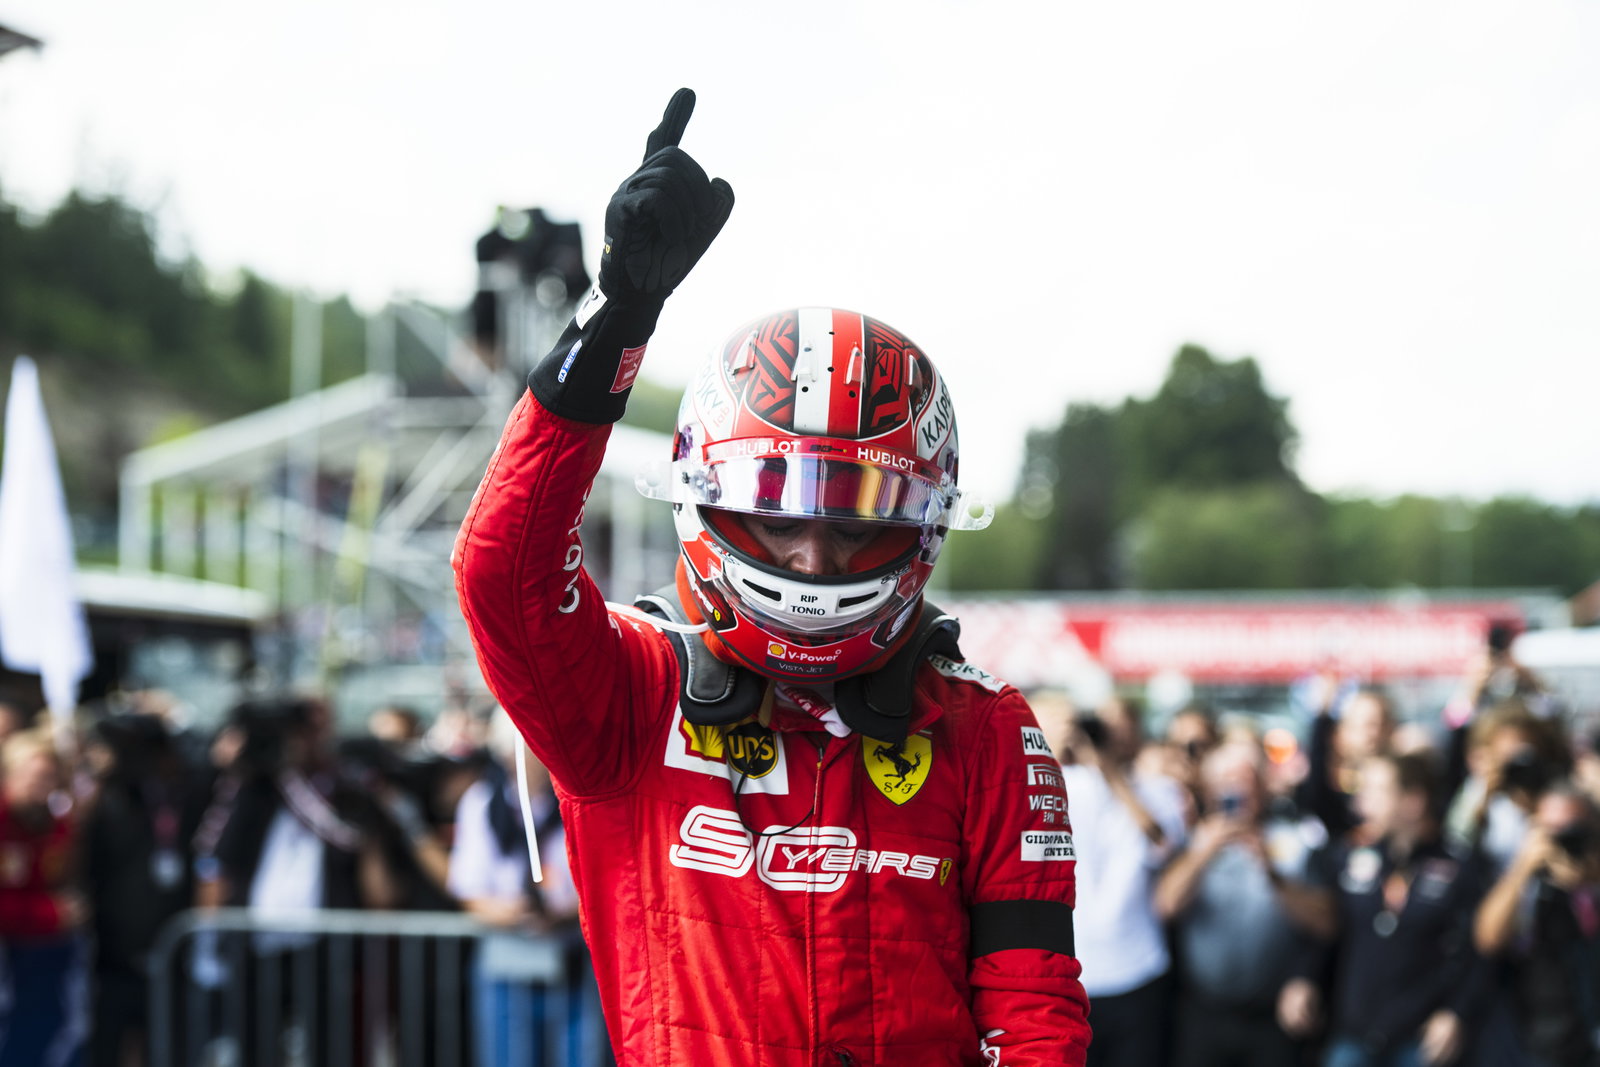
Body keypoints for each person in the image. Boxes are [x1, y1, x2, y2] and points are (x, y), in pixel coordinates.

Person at [453, 88, 1090, 1065]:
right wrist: (616, 318)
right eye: (776, 515)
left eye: (855, 520)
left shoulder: (989, 728)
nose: (812, 556)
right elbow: (504, 572)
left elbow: (1034, 1013)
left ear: (921, 521)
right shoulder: (631, 692)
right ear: (704, 497)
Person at [1282, 751, 1489, 1067]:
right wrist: (1303, 978)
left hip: (1421, 1041)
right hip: (1351, 1035)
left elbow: (1479, 952)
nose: (1361, 804)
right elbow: (1329, 930)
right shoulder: (1347, 858)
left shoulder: (1461, 866)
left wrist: (1456, 1013)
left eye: (1377, 791)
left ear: (1413, 801)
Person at [1154, 738, 1335, 1067]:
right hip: (1203, 1013)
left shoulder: (1294, 840)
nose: (1238, 789)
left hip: (1271, 1013)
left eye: (1247, 778)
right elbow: (1165, 906)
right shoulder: (1192, 841)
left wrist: (1273, 873)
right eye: (1228, 780)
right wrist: (1203, 854)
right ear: (1210, 788)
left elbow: (1325, 924)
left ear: (1264, 785)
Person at [1048, 695, 1186, 1067]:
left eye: (1118, 724)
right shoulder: (1064, 782)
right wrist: (1052, 749)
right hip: (1072, 975)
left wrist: (1109, 771)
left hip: (1137, 969)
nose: (1106, 734)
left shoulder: (1159, 791)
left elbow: (1160, 842)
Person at [1472, 785, 1600, 1066]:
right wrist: (1523, 867)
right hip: (1541, 1040)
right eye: (1550, 831)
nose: (1561, 841)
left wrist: (1587, 881)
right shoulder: (1526, 883)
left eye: (1571, 831)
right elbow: (1487, 939)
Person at [0, 727, 87, 1067]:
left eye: (50, 777)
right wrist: (51, 914)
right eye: (35, 776)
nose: (42, 786)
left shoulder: (57, 825)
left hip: (45, 960)